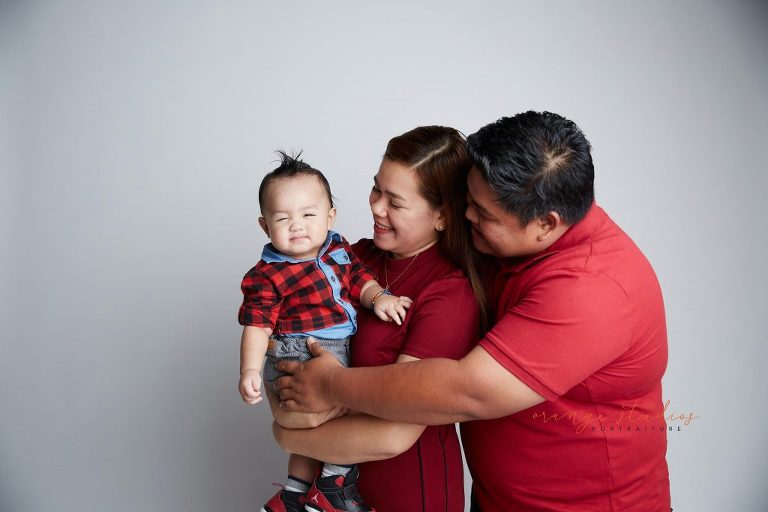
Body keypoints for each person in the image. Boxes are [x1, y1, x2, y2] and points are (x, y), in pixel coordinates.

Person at [276, 112, 672, 511]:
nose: (467, 218)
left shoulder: (592, 288)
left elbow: (466, 391)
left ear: (546, 224)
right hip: (496, 499)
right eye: (467, 201)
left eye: (483, 214)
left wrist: (326, 390)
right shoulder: (501, 250)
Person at [270, 126, 489, 511]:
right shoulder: (351, 259)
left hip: (405, 492)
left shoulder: (450, 293)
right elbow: (283, 363)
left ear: (442, 215)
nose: (376, 206)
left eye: (396, 202)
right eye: (377, 189)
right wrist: (290, 416)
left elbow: (391, 436)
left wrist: (289, 436)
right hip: (318, 496)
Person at [237, 152, 413, 512]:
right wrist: (250, 371)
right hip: (299, 348)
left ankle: (293, 494)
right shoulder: (267, 274)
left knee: (312, 432)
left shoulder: (338, 248)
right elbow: (257, 324)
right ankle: (333, 483)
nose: (297, 225)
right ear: (264, 225)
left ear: (330, 216)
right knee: (351, 409)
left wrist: (377, 297)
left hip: (334, 342)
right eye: (282, 218)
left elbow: (358, 279)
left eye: (309, 215)